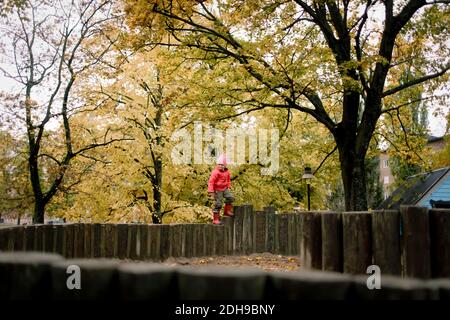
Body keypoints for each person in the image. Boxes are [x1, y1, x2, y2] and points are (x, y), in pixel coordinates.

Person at [208, 154, 234, 225]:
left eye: (222, 165)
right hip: (217, 190)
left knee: (231, 198)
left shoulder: (227, 172)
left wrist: (228, 186)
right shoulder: (215, 172)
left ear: (225, 165)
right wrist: (211, 191)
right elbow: (211, 182)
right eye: (219, 164)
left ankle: (227, 211)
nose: (220, 166)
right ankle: (216, 219)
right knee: (218, 204)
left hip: (225, 188)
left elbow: (228, 180)